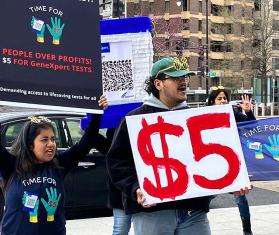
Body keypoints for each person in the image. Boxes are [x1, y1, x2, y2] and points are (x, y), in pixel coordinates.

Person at [107, 57, 213, 235]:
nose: (183, 83)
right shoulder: (134, 120)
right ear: (158, 83)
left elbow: (210, 159)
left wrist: (234, 185)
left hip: (193, 212)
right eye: (176, 78)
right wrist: (135, 188)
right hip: (153, 213)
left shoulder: (197, 118)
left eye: (185, 78)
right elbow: (117, 162)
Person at [0, 96, 107, 235]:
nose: (51, 144)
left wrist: (97, 111)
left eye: (53, 139)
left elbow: (88, 139)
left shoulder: (59, 164)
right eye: (44, 140)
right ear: (30, 144)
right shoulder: (12, 165)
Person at [206, 86, 255, 235]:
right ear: (212, 102)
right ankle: (195, 219)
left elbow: (251, 127)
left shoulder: (234, 114)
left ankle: (247, 230)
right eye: (219, 98)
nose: (223, 101)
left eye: (224, 98)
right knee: (204, 195)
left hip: (233, 162)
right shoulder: (204, 116)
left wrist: (248, 111)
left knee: (241, 197)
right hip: (212, 162)